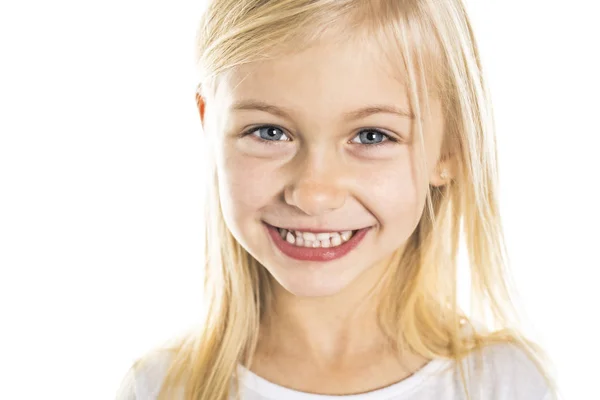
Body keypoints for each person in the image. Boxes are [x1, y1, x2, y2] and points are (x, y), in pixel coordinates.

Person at [117, 0, 558, 399]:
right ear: (209, 123)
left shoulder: (503, 385)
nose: (313, 194)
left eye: (371, 136)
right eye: (269, 132)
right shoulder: (161, 388)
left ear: (450, 148)